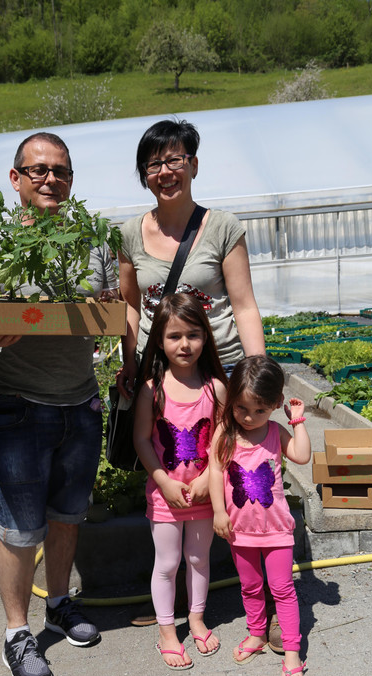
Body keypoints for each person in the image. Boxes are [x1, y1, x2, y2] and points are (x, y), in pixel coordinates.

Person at [0, 132, 115, 676]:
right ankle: (16, 632)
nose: (51, 179)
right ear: (16, 178)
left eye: (61, 171)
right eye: (39, 169)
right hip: (21, 406)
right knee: (19, 527)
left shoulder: (91, 239)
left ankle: (60, 604)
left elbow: (110, 306)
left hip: (81, 401)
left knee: (67, 516)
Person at [117, 116, 268, 628]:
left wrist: (256, 375)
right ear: (143, 174)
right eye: (153, 164)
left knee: (243, 480)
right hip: (161, 379)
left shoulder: (222, 227)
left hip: (220, 373)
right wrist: (129, 363)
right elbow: (130, 307)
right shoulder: (128, 234)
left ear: (194, 164)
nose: (165, 171)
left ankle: (265, 601)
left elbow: (243, 305)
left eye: (174, 159)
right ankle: (168, 596)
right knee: (168, 476)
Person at [133, 293, 228, 669]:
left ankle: (197, 618)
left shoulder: (215, 388)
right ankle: (167, 631)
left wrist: (208, 477)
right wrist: (163, 481)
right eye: (174, 336)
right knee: (168, 563)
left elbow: (222, 435)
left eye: (193, 334)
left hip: (205, 495)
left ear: (206, 336)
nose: (185, 344)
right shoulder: (151, 389)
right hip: (165, 496)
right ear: (159, 340)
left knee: (199, 559)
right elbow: (142, 439)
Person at [209, 355, 311, 676]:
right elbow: (215, 471)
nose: (249, 417)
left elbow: (302, 456)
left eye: (259, 410)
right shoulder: (225, 433)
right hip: (240, 531)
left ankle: (292, 651)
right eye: (241, 408)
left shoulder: (276, 432)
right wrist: (219, 511)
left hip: (277, 530)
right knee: (250, 586)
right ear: (231, 399)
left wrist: (298, 422)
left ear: (276, 404)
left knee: (282, 589)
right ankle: (256, 633)